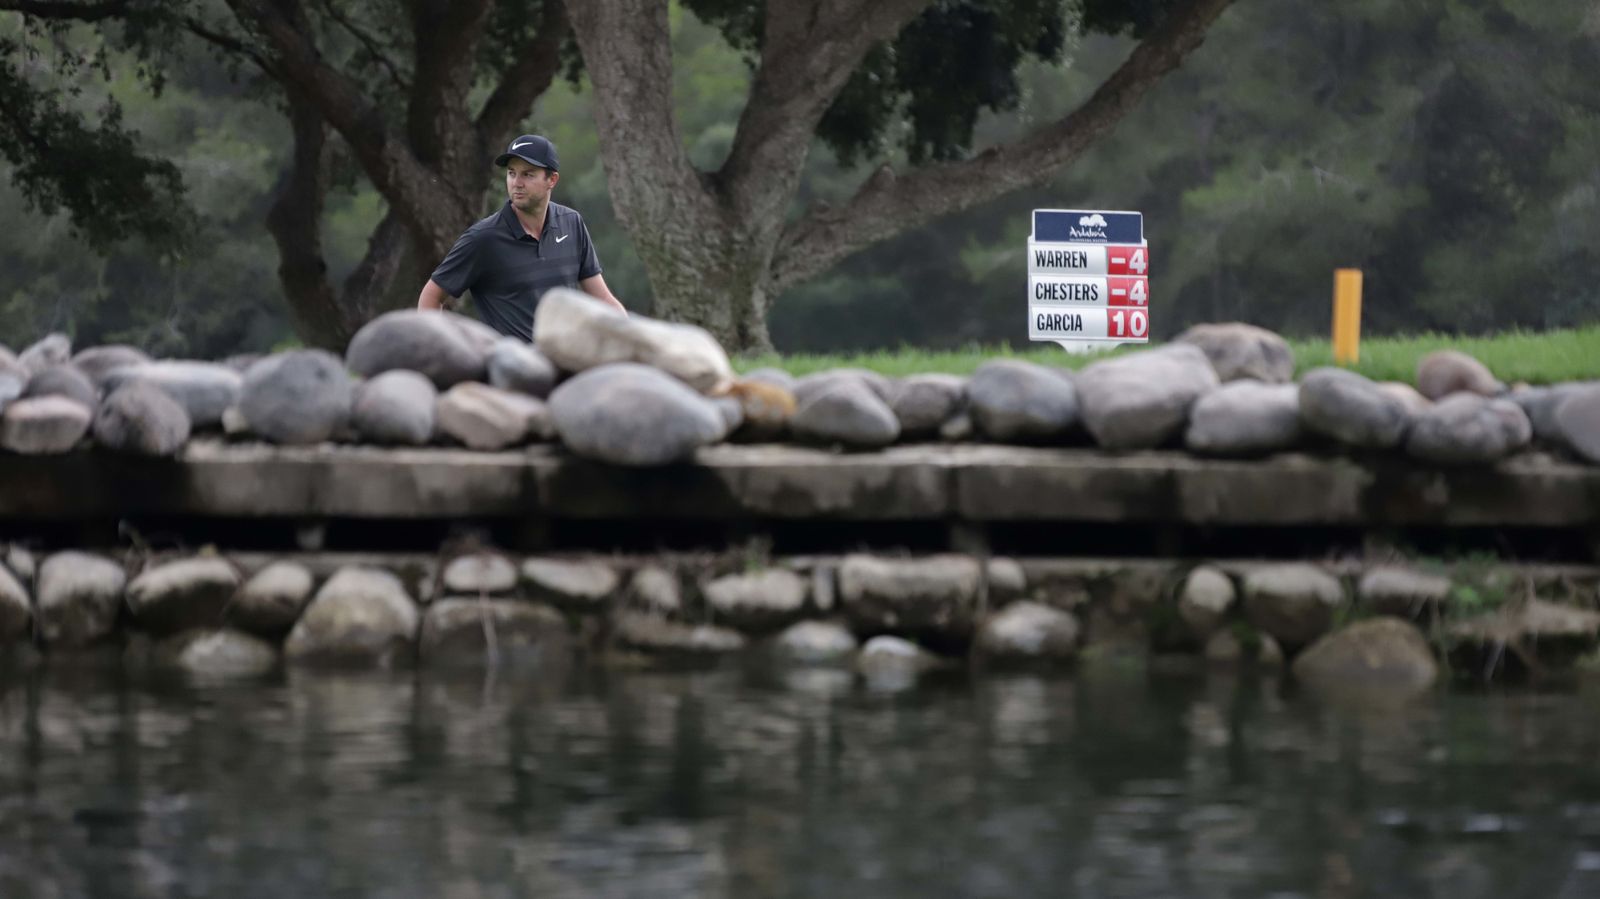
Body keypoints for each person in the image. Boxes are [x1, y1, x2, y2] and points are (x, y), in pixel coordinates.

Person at [417, 134, 626, 340]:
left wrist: (633, 339)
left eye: (528, 174)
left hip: (564, 358)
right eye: (511, 173)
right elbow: (431, 296)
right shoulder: (483, 238)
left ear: (552, 180)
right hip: (511, 361)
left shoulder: (571, 223)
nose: (516, 183)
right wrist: (437, 350)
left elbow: (603, 298)